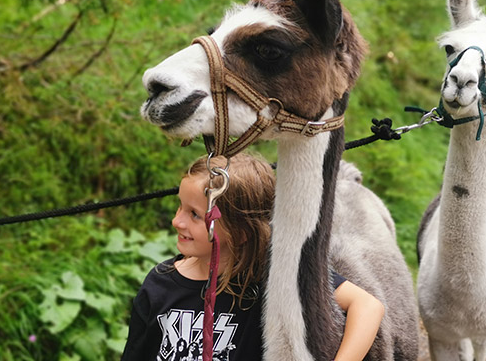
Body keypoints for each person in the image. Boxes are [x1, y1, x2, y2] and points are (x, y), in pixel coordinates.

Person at [121, 153, 384, 361]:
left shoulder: (272, 280)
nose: (176, 221)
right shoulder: (159, 283)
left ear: (241, 233)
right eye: (180, 206)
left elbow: (368, 306)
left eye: (195, 215)